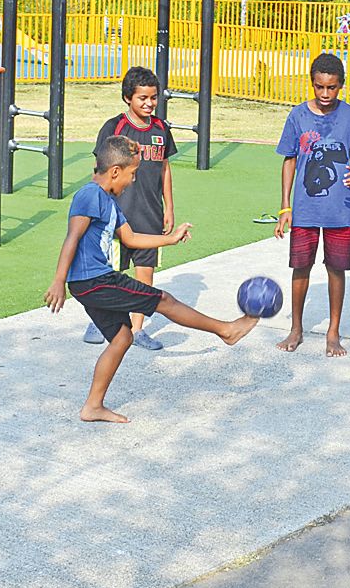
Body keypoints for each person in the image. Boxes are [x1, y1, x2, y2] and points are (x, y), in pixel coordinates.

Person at [47, 135, 259, 423]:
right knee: (163, 299)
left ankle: (92, 407)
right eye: (132, 174)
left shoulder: (109, 201)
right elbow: (72, 237)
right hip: (95, 279)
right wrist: (59, 281)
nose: (133, 181)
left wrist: (169, 239)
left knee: (122, 338)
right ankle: (225, 331)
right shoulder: (89, 195)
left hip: (91, 283)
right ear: (115, 171)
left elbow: (130, 238)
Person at [273, 52, 350, 357]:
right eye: (319, 87)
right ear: (312, 84)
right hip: (304, 209)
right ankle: (296, 328)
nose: (325, 94)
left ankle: (333, 332)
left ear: (341, 85)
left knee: (336, 268)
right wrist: (285, 207)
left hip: (339, 210)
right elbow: (289, 161)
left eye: (332, 88)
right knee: (301, 267)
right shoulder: (297, 116)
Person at [83, 66, 178, 351]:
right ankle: (101, 318)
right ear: (127, 98)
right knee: (111, 272)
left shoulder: (162, 129)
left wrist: (169, 207)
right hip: (116, 213)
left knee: (145, 273)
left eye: (153, 98)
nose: (149, 103)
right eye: (142, 98)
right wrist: (95, 207)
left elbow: (165, 168)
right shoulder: (115, 128)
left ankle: (137, 330)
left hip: (150, 212)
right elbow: (99, 171)